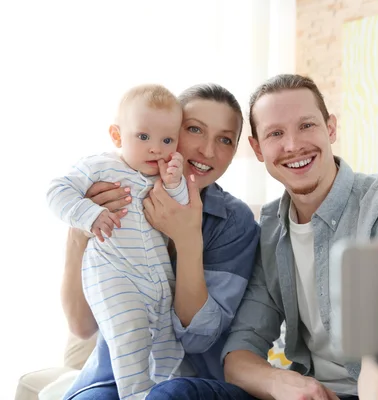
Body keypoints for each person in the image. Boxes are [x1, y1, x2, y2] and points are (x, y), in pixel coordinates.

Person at [150, 74, 378, 400]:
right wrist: (281, 383)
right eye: (275, 133)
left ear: (331, 129)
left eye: (307, 126)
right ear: (257, 148)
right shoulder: (270, 228)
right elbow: (241, 351)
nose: (293, 145)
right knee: (175, 395)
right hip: (308, 393)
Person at [60, 83, 260, 400]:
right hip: (112, 376)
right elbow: (81, 326)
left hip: (189, 381)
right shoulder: (113, 189)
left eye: (225, 140)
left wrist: (188, 238)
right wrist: (78, 232)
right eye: (194, 129)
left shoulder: (234, 221)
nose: (208, 151)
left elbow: (197, 340)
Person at [48, 84, 189, 399]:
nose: (156, 148)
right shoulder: (100, 166)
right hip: (114, 275)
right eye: (143, 137)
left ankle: (162, 387)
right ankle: (135, 392)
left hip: (157, 277)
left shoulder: (161, 176)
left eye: (167, 140)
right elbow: (56, 190)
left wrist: (175, 181)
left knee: (168, 341)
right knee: (129, 334)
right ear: (117, 136)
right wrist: (88, 214)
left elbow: (181, 207)